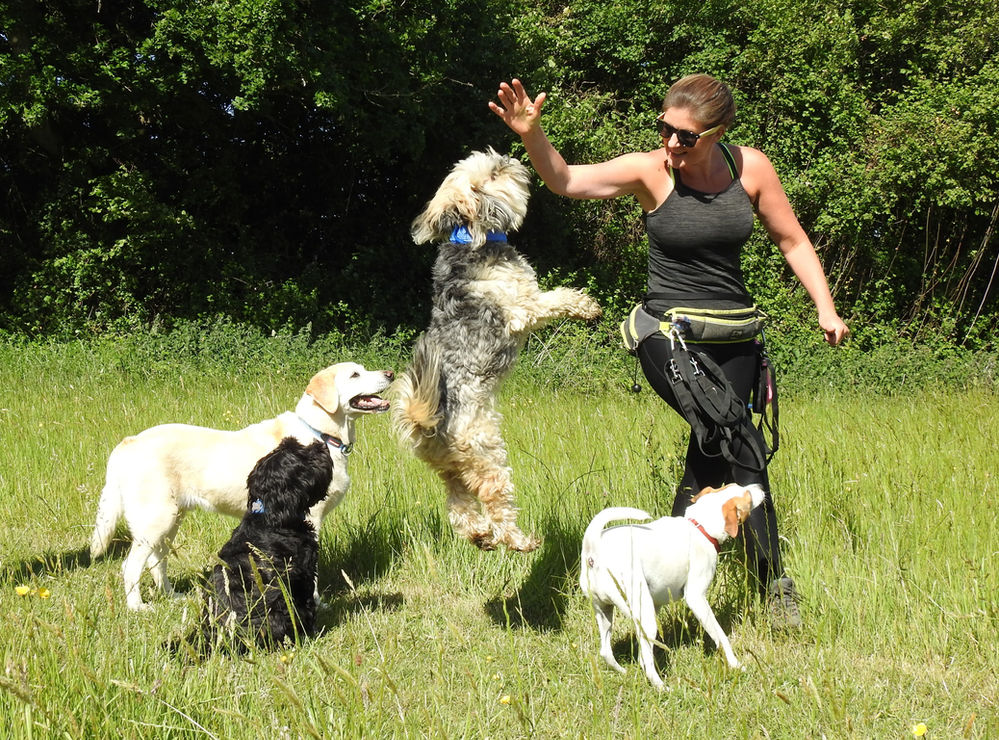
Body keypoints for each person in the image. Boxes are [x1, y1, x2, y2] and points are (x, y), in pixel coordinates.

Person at [489, 74, 849, 628]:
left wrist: (824, 306)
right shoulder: (650, 171)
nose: (672, 144)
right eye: (665, 130)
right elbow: (565, 180)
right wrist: (532, 134)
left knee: (708, 453)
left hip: (735, 336)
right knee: (738, 436)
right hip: (666, 333)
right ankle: (774, 583)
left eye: (687, 136)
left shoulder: (749, 169)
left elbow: (792, 239)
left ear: (718, 133)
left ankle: (664, 569)